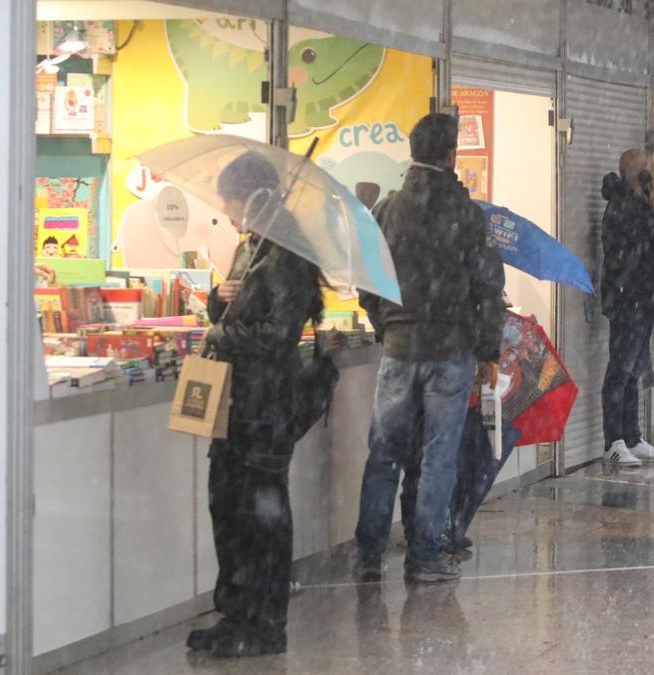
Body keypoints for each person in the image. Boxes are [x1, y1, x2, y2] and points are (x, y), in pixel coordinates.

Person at [186, 152, 331, 657]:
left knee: (260, 514)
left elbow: (277, 334)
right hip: (236, 400)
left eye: (230, 202)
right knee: (226, 506)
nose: (227, 214)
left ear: (254, 197)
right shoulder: (254, 246)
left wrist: (223, 329)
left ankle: (264, 622)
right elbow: (239, 306)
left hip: (266, 404)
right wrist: (219, 301)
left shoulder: (288, 252)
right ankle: (234, 611)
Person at [354, 113, 505, 584]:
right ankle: (424, 555)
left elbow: (367, 278)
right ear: (449, 155)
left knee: (384, 453)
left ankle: (368, 555)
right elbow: (488, 285)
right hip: (450, 352)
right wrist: (487, 351)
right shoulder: (465, 214)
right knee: (439, 456)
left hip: (399, 349)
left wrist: (386, 325)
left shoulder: (389, 208)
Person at [599, 148, 654, 466]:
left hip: (645, 299)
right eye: (646, 168)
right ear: (632, 173)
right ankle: (613, 439)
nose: (652, 173)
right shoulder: (621, 206)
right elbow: (643, 244)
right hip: (627, 299)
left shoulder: (643, 205)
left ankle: (632, 435)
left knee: (634, 373)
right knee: (620, 370)